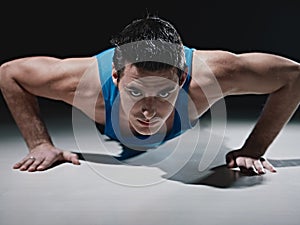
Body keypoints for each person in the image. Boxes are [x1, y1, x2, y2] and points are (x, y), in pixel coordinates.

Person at [0, 15, 299, 174]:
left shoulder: (215, 75)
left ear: (182, 79)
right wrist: (39, 143)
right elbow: (9, 73)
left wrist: (254, 148)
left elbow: (294, 77)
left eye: (165, 92)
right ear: (115, 78)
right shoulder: (85, 84)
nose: (149, 111)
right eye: (135, 91)